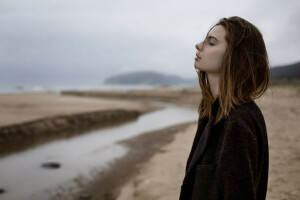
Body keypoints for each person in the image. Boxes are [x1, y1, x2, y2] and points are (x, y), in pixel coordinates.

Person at [179, 16, 270, 200]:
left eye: (211, 43)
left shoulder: (238, 121)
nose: (198, 45)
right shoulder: (213, 111)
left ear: (235, 56)